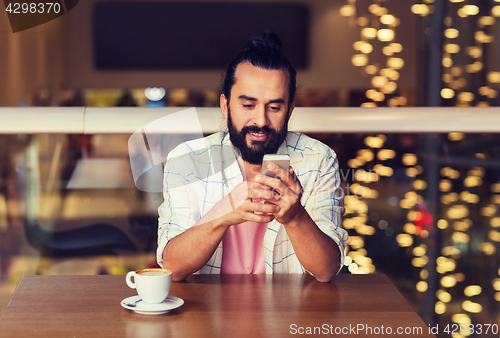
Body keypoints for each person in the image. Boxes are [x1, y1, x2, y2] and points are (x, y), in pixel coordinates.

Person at [157, 32, 348, 282]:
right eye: (248, 105)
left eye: (274, 107)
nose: (260, 120)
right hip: (206, 314)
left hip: (288, 314)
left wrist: (295, 217)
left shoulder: (319, 159)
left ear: (290, 110)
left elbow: (326, 271)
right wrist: (224, 212)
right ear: (226, 106)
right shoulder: (186, 158)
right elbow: (173, 266)